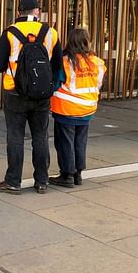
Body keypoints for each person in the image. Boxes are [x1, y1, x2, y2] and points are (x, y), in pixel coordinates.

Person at [0, 0, 62, 195]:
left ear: (19, 12)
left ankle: (13, 182)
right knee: (40, 136)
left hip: (15, 93)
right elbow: (57, 65)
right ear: (37, 11)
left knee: (15, 137)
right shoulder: (51, 33)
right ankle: (42, 181)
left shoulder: (10, 33)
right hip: (42, 95)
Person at [48, 28, 106, 188]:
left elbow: (56, 83)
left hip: (66, 109)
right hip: (87, 109)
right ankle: (78, 174)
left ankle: (67, 175)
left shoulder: (66, 62)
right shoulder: (97, 62)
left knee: (65, 143)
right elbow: (99, 84)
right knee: (80, 142)